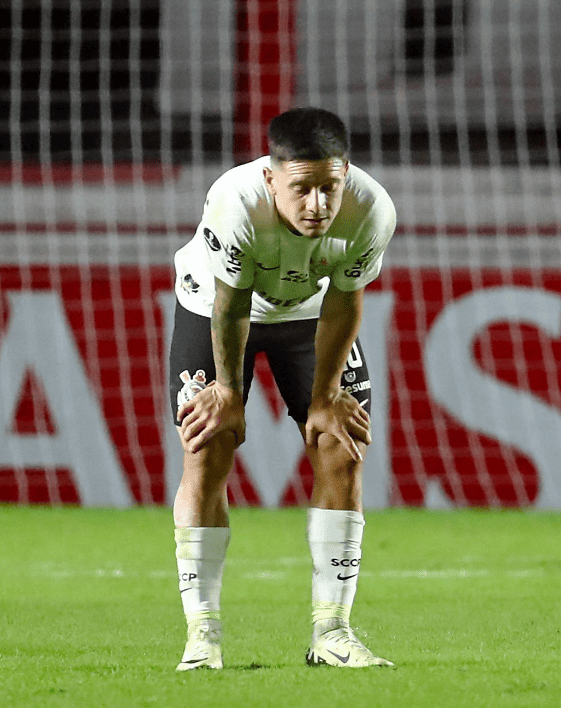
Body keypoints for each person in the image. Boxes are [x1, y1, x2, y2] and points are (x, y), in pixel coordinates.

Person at [167, 107, 396, 670]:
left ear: (346, 175)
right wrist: (226, 389)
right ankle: (204, 634)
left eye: (329, 188)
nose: (318, 205)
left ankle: (332, 634)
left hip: (311, 315)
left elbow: (346, 299)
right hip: (213, 308)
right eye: (303, 189)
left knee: (341, 448)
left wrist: (323, 399)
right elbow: (231, 306)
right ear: (272, 179)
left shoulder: (372, 209)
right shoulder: (235, 201)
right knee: (208, 448)